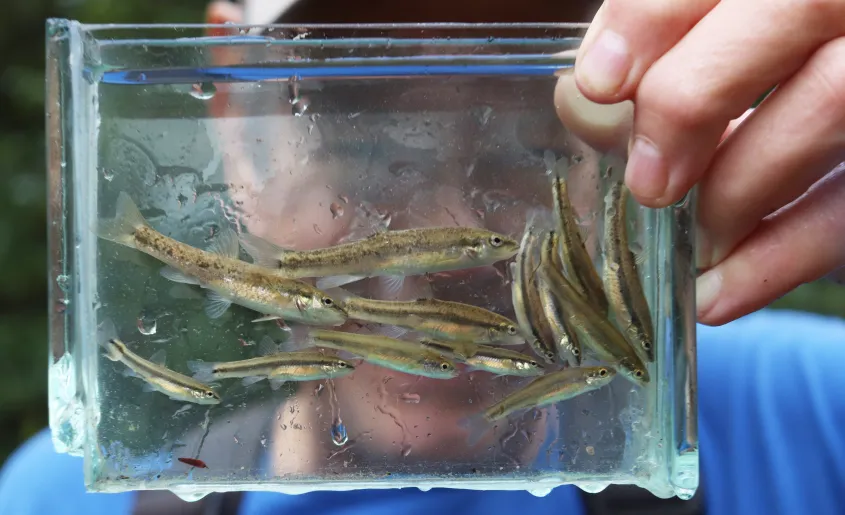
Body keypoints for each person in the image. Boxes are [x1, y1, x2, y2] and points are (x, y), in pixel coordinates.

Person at [4, 1, 844, 514]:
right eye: (356, 130)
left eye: (531, 134)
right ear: (230, 116)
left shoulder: (816, 409)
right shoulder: (48, 499)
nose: (447, 228)